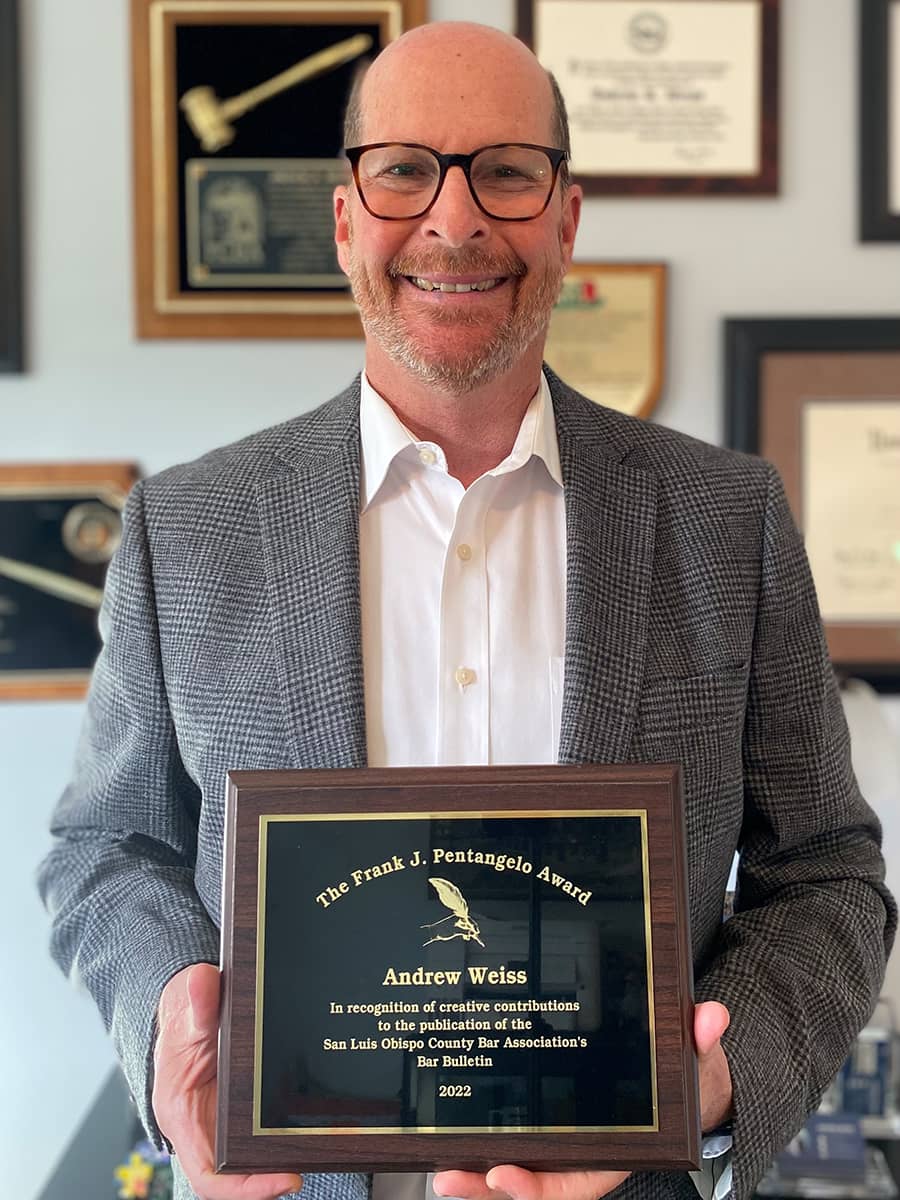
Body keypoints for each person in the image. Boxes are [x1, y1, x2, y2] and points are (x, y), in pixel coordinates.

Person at [38, 20, 894, 1200]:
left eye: (505, 171)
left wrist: (710, 1080)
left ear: (565, 218)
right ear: (345, 221)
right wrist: (170, 1045)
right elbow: (108, 850)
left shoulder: (724, 517)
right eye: (403, 170)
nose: (454, 221)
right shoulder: (185, 530)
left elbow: (829, 873)